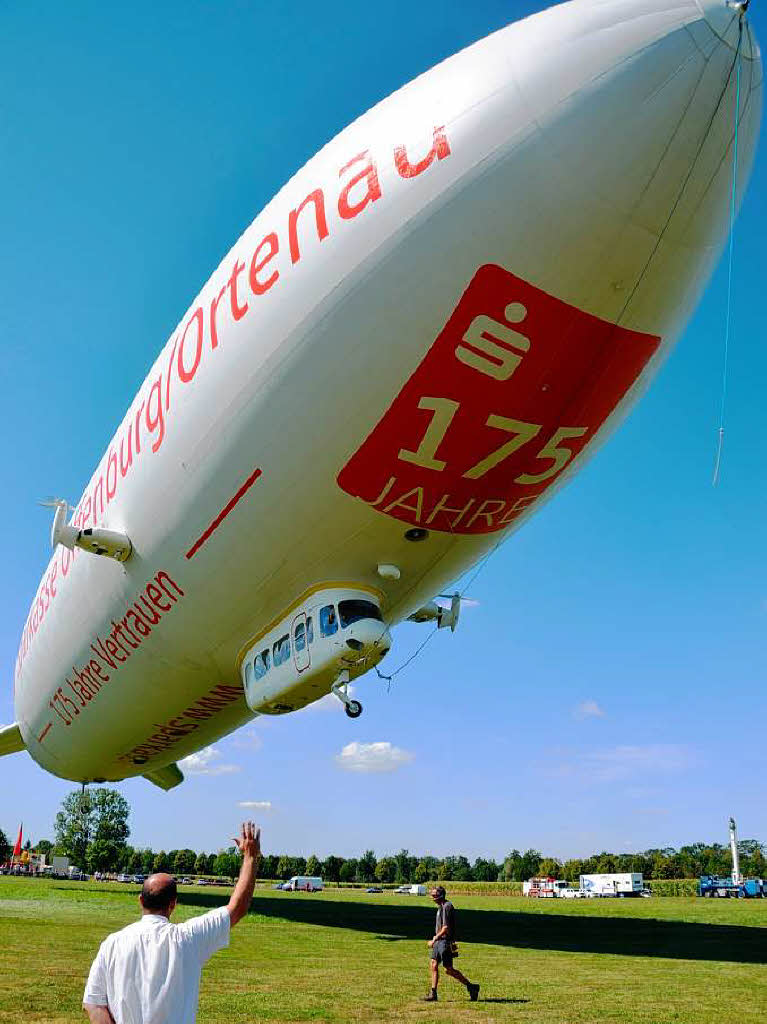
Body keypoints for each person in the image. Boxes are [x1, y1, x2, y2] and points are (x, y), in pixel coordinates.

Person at [82, 821, 261, 1024]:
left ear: (141, 900)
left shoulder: (112, 944)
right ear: (173, 904)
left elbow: (94, 1004)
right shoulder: (188, 938)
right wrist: (250, 857)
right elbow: (237, 908)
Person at [423, 885, 479, 1002]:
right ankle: (433, 993)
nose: (432, 898)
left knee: (448, 969)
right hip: (439, 941)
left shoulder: (447, 907)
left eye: (434, 895)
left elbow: (445, 928)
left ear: (440, 896)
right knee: (433, 964)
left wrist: (434, 939)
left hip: (445, 942)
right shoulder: (441, 907)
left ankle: (471, 987)